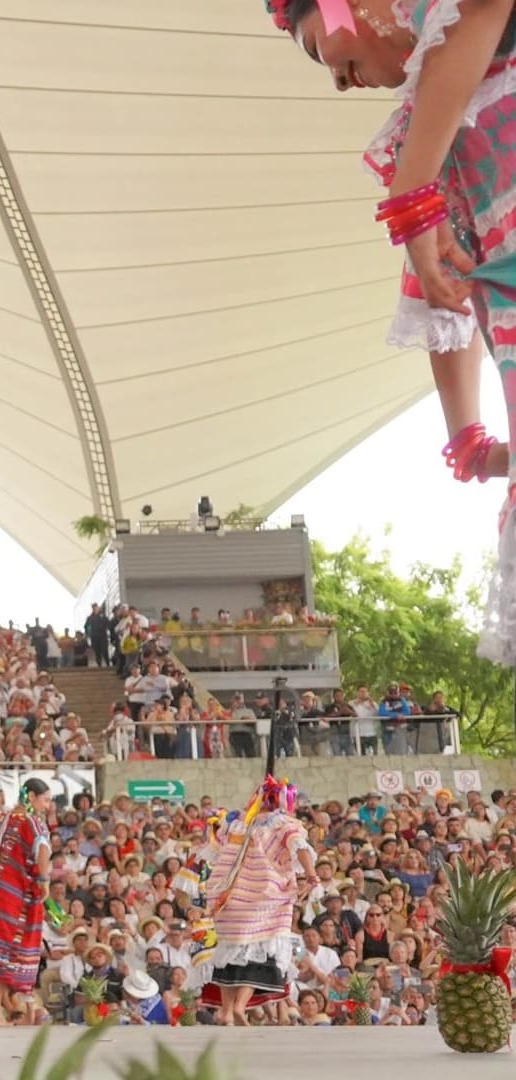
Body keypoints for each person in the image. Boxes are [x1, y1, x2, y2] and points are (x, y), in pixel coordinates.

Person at [269, 0, 516, 660]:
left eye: (318, 48)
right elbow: (448, 297)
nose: (338, 81)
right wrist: (470, 441)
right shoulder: (431, 133)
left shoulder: (435, 124)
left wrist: (413, 194)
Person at [196, 776, 317, 1026]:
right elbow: (300, 846)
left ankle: (226, 1011)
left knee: (231, 951)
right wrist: (311, 875)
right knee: (261, 951)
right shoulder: (282, 823)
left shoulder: (236, 822)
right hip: (263, 897)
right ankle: (239, 1007)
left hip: (229, 899)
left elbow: (212, 849)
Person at [0, 777, 53, 1027]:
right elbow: (42, 848)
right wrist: (44, 880)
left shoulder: (0, 820)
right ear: (32, 797)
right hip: (17, 895)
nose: (48, 806)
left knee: (1, 951)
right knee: (9, 950)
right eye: (46, 800)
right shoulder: (32, 822)